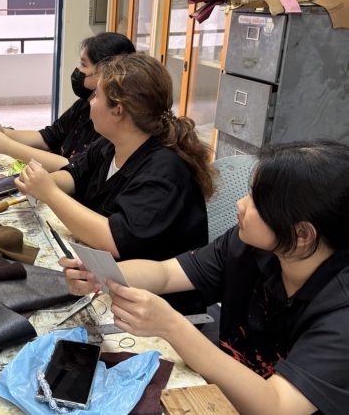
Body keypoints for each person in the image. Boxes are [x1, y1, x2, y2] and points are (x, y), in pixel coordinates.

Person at [61, 140, 349, 414]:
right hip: (222, 395)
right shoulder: (249, 247)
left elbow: (277, 406)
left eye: (257, 203)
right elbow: (166, 273)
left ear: (302, 234)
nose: (241, 204)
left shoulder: (340, 313)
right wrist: (100, 273)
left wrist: (171, 326)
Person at [17, 53, 215, 313]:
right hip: (104, 279)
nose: (90, 101)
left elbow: (113, 239)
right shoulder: (111, 145)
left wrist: (49, 193)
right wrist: (38, 183)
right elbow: (75, 175)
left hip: (153, 305)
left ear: (118, 110)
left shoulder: (164, 172)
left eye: (96, 96)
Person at [0, 32, 135, 172]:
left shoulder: (108, 126)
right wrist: (3, 133)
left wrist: (7, 146)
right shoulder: (83, 106)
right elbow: (49, 137)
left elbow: (75, 169)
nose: (78, 70)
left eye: (83, 64)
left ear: (106, 71)